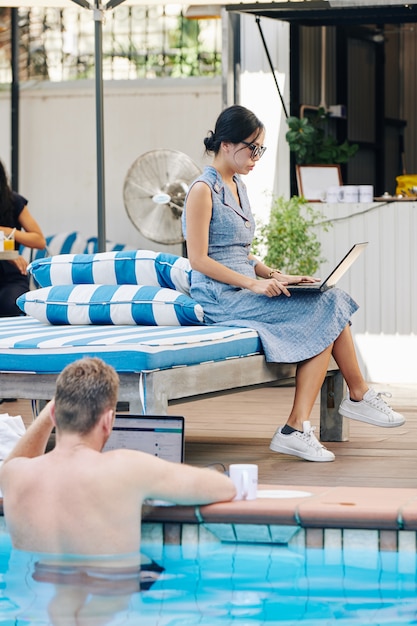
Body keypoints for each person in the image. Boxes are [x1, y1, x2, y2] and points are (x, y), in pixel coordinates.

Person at [182, 104, 405, 463]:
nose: (256, 157)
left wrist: (274, 274)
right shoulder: (202, 191)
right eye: (251, 148)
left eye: (260, 149)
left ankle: (300, 425)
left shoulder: (237, 184)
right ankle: (349, 399)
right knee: (325, 310)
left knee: (325, 300)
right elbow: (200, 260)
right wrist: (253, 286)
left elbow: (240, 251)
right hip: (219, 298)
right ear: (225, 144)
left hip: (242, 286)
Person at [0, 357, 236, 556]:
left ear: (52, 413)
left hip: (32, 608)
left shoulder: (15, 475)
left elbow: (17, 460)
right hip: (107, 607)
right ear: (108, 420)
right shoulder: (126, 468)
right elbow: (225, 488)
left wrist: (52, 410)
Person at [0, 159, 46, 317]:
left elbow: (39, 241)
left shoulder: (13, 201)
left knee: (12, 303)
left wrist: (7, 231)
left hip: (11, 277)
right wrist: (8, 254)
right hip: (10, 260)